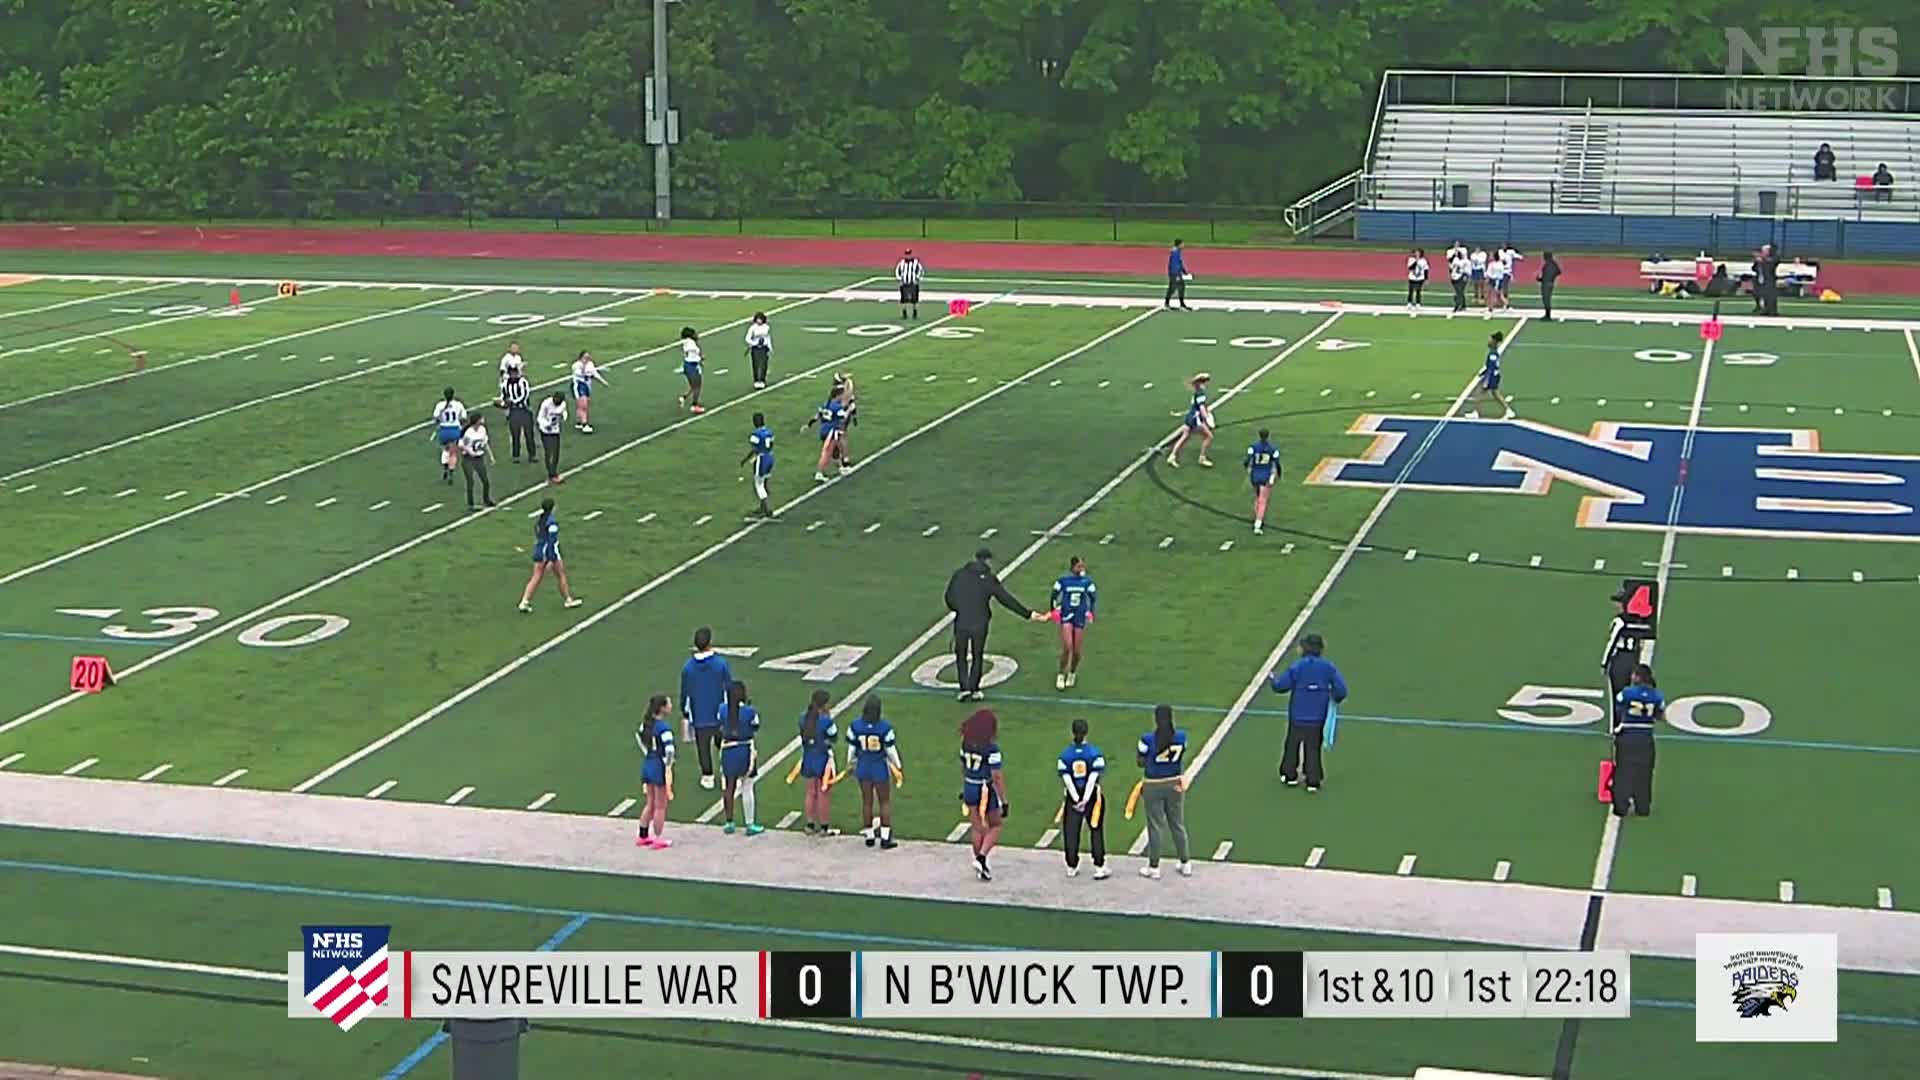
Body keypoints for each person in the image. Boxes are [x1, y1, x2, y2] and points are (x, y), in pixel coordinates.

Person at [943, 547, 1047, 702]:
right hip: (980, 622)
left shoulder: (959, 574)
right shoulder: (989, 578)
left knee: (961, 655)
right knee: (977, 655)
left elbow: (949, 597)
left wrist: (959, 608)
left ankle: (964, 687)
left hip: (962, 621)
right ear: (987, 560)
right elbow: (1005, 599)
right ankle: (974, 688)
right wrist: (1027, 613)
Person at [1268, 633, 1348, 792]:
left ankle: (1289, 775)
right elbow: (1342, 690)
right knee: (1313, 747)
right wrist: (1335, 697)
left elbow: (1281, 686)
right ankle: (1313, 780)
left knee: (1292, 745)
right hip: (1317, 717)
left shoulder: (1297, 667)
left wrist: (1272, 679)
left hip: (1297, 716)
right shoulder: (1328, 667)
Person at [1135, 704, 1191, 879]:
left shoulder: (1147, 739)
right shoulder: (1182, 737)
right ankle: (1185, 863)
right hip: (1174, 782)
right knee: (1177, 824)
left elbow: (1140, 762)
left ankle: (1154, 867)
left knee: (1155, 826)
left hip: (1153, 784)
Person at [679, 626, 733, 791]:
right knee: (725, 744)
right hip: (719, 713)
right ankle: (727, 773)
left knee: (703, 748)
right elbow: (729, 687)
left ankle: (707, 776)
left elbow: (685, 693)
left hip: (699, 714)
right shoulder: (720, 664)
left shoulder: (688, 667)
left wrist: (685, 712)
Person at [846, 695, 902, 849]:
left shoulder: (855, 726)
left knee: (867, 801)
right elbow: (890, 750)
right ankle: (885, 837)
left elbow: (851, 749)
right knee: (884, 801)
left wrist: (849, 763)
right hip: (878, 766)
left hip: (863, 766)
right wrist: (898, 765)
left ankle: (869, 836)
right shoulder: (884, 727)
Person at [959, 708, 1008, 881]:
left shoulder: (965, 743)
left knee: (977, 827)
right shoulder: (991, 748)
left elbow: (964, 767)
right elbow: (996, 775)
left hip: (969, 785)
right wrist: (1004, 800)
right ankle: (981, 857)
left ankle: (981, 865)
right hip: (984, 788)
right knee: (996, 824)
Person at [1057, 718, 1109, 880]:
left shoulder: (1065, 754)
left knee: (1071, 831)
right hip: (1091, 795)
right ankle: (1099, 865)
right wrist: (1086, 799)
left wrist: (1076, 799)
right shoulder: (1094, 753)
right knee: (1096, 830)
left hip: (1073, 797)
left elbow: (1066, 779)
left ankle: (1071, 865)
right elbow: (1093, 776)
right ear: (1086, 732)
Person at [1610, 663, 1661, 818]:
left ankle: (1621, 807)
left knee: (1624, 772)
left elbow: (1617, 707)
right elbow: (1660, 715)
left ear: (1638, 677)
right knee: (1644, 774)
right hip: (1646, 737)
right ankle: (1643, 807)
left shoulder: (1627, 693)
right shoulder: (1657, 695)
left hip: (1628, 736)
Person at [518, 498, 583, 613]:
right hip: (548, 551)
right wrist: (551, 559)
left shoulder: (540, 520)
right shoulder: (551, 522)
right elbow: (552, 540)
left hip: (538, 549)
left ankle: (524, 601)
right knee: (560, 575)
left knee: (536, 577)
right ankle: (568, 599)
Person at [717, 680, 763, 836]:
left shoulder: (722, 709)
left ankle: (729, 822)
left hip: (728, 750)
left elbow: (720, 724)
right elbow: (755, 726)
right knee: (747, 786)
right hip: (745, 749)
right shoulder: (750, 711)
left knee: (728, 787)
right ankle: (750, 824)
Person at [634, 694, 676, 849]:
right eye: (669, 704)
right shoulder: (664, 728)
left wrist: (647, 752)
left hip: (648, 763)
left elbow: (639, 737)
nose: (671, 706)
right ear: (662, 708)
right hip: (659, 765)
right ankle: (658, 838)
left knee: (650, 803)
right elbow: (670, 750)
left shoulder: (646, 725)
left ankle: (643, 835)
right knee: (660, 805)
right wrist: (668, 764)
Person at [1049, 556, 1097, 690]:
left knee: (1076, 651)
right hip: (1067, 615)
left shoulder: (1087, 582)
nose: (1081, 569)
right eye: (1079, 566)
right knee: (1067, 646)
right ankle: (1061, 674)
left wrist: (1091, 612)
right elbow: (1054, 595)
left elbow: (1093, 598)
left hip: (1079, 616)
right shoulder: (1064, 581)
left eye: (1082, 566)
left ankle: (1072, 673)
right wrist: (1053, 610)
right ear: (1072, 567)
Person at [798, 689, 838, 835]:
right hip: (823, 757)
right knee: (823, 792)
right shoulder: (826, 721)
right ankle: (824, 826)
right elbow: (833, 737)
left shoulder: (803, 718)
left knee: (810, 791)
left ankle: (809, 824)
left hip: (808, 756)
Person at [1601, 587, 1649, 702]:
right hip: (1634, 658)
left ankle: (1618, 719)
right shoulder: (1639, 619)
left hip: (1621, 659)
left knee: (1618, 694)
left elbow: (1612, 642)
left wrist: (1604, 663)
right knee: (1631, 694)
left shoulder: (1619, 620)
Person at [1165, 372, 1215, 468]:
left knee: (1185, 436)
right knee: (1209, 436)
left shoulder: (1197, 391)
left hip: (1190, 416)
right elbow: (1201, 408)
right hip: (1195, 419)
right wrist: (1207, 419)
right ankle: (1202, 458)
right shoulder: (1201, 393)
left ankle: (1172, 456)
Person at [808, 382, 850, 483]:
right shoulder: (837, 407)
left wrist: (809, 424)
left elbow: (817, 416)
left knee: (835, 450)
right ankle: (819, 473)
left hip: (823, 430)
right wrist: (849, 410)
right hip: (831, 431)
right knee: (827, 452)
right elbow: (842, 419)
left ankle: (840, 467)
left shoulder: (826, 404)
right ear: (838, 395)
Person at [1467, 331, 1514, 419]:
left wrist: (1486, 381)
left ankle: (1476, 412)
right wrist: (1482, 373)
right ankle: (1508, 410)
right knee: (1495, 394)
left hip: (1492, 377)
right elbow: (1489, 367)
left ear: (1493, 341)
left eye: (1490, 339)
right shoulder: (1493, 352)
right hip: (1495, 376)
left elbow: (1491, 368)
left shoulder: (1492, 354)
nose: (1488, 341)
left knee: (1480, 392)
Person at [457, 412, 496, 510]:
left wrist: (491, 456)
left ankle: (486, 500)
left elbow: (485, 444)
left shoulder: (482, 430)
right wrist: (470, 452)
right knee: (470, 481)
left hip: (479, 458)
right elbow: (461, 445)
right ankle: (471, 504)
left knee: (485, 481)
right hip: (468, 459)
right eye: (481, 418)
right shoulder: (468, 432)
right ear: (477, 420)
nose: (483, 420)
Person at [740, 411, 776, 518]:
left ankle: (766, 509)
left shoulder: (756, 434)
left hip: (762, 458)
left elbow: (755, 449)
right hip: (770, 456)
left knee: (759, 485)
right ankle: (762, 507)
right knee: (763, 482)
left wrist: (746, 459)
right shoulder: (769, 432)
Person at [1245, 427, 1280, 535]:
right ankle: (1258, 524)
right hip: (1265, 475)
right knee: (1263, 500)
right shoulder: (1272, 449)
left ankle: (1257, 517)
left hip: (1255, 475)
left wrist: (1249, 468)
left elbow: (1247, 461)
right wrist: (1278, 474)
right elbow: (1277, 464)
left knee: (1257, 497)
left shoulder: (1253, 447)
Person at [431, 387, 466, 483]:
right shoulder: (458, 404)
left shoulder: (440, 405)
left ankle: (445, 466)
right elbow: (463, 417)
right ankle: (451, 471)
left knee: (446, 450)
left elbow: (436, 418)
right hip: (454, 429)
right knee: (453, 452)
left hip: (444, 430)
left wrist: (439, 421)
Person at [570, 349, 608, 433]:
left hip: (587, 386)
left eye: (588, 357)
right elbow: (579, 374)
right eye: (585, 357)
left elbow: (594, 374)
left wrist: (603, 381)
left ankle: (579, 422)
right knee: (583, 405)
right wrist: (585, 368)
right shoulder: (576, 365)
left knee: (583, 405)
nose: (587, 359)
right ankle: (585, 425)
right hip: (579, 385)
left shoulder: (590, 364)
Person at [502, 370, 536, 464]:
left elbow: (524, 395)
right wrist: (504, 403)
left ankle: (532, 455)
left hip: (524, 410)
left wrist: (513, 401)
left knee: (529, 434)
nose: (513, 375)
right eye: (511, 374)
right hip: (513, 411)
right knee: (515, 434)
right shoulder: (505, 383)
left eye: (515, 374)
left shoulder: (523, 382)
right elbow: (504, 395)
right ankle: (516, 455)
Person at [536, 391, 568, 484]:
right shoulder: (546, 404)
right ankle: (551, 474)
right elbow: (539, 417)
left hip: (555, 430)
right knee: (549, 451)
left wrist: (564, 417)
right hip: (545, 431)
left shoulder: (562, 405)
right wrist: (546, 425)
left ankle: (553, 471)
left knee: (556, 452)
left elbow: (564, 412)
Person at [832, 372, 859, 469]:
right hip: (849, 411)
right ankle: (845, 457)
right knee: (843, 435)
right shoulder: (848, 386)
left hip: (844, 412)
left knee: (841, 436)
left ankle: (844, 458)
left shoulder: (842, 392)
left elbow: (843, 404)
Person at [677, 327, 705, 413]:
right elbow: (693, 352)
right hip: (691, 366)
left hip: (691, 365)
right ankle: (694, 405)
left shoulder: (689, 342)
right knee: (697, 386)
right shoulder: (690, 343)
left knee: (694, 386)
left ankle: (684, 397)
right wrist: (700, 357)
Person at [744, 312, 773, 388]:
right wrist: (754, 343)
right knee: (756, 365)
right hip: (755, 348)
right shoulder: (753, 328)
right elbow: (747, 338)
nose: (759, 321)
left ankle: (762, 380)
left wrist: (770, 347)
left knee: (763, 364)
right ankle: (756, 380)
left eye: (760, 319)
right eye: (757, 319)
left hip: (764, 348)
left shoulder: (766, 327)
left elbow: (768, 338)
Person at [1752, 243, 1781, 317]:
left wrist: (1762, 258)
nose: (1763, 252)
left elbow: (1772, 263)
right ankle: (1766, 309)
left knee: (1771, 296)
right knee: (1765, 295)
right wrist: (1758, 262)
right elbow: (1754, 268)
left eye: (1764, 250)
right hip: (1761, 279)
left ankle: (1773, 311)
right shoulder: (1761, 259)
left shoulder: (1774, 258)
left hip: (1770, 280)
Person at [895, 249, 924, 319]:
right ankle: (904, 313)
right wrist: (899, 278)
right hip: (904, 283)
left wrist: (918, 278)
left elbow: (921, 270)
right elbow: (897, 271)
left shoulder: (916, 262)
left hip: (913, 283)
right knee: (904, 299)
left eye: (909, 254)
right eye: (907, 254)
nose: (908, 256)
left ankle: (915, 312)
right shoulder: (901, 262)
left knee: (914, 299)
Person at [1165, 239, 1193, 311]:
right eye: (1182, 244)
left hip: (1175, 273)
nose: (1183, 245)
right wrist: (1177, 274)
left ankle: (1168, 303)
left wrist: (1184, 272)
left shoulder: (1177, 252)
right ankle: (1181, 304)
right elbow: (1175, 264)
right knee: (1178, 287)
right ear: (1179, 244)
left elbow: (1180, 263)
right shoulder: (1175, 253)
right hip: (1175, 273)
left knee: (1173, 288)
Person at [1537, 251, 1562, 321]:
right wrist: (1552, 277)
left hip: (1546, 284)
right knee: (1547, 299)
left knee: (1546, 300)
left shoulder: (1547, 265)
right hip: (1550, 283)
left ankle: (1548, 315)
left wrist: (1539, 279)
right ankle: (1547, 314)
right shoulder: (1554, 264)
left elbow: (1545, 276)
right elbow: (1558, 271)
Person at [1447, 241, 1470, 312]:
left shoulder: (1466, 261)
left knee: (1459, 291)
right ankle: (1463, 305)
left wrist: (1465, 276)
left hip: (1462, 277)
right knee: (1459, 292)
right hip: (1454, 277)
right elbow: (1450, 267)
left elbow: (1467, 270)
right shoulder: (1454, 260)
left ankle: (1457, 305)